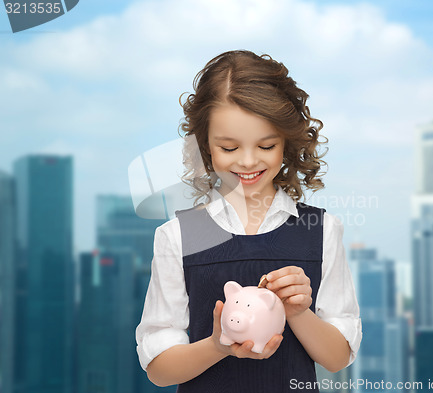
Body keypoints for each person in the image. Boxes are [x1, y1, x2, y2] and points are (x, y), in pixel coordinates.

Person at [135, 50, 362, 392]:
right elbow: (159, 371)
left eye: (266, 145)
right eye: (228, 148)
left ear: (286, 142)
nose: (248, 160)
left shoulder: (320, 231)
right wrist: (217, 346)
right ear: (205, 147)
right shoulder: (180, 235)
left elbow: (337, 357)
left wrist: (298, 312)